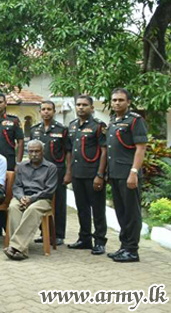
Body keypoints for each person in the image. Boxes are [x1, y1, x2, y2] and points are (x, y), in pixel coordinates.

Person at [105, 88, 148, 263]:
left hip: (128, 174)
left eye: (121, 100)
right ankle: (124, 246)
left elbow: (141, 148)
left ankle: (132, 250)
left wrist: (134, 172)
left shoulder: (135, 120)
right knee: (121, 212)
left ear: (128, 102)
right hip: (115, 174)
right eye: (114, 100)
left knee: (131, 213)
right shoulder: (113, 120)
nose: (117, 103)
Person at [64, 95, 108, 255]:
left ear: (92, 108)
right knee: (82, 208)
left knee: (98, 209)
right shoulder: (72, 126)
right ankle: (84, 239)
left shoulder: (98, 126)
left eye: (84, 105)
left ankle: (100, 241)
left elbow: (104, 152)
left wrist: (100, 175)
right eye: (78, 105)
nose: (81, 107)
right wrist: (69, 172)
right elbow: (70, 151)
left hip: (93, 174)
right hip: (77, 174)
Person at [4, 140, 58, 260]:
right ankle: (21, 250)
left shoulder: (51, 168)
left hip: (42, 199)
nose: (34, 154)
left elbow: (49, 190)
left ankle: (15, 247)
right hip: (22, 197)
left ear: (42, 152)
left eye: (37, 151)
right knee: (13, 207)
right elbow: (16, 186)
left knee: (32, 209)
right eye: (31, 151)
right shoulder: (21, 166)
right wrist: (21, 197)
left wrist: (32, 199)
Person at [30, 101, 70, 246]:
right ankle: (45, 233)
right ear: (40, 112)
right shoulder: (35, 130)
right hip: (39, 172)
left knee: (58, 202)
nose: (46, 112)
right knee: (41, 200)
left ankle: (58, 234)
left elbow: (68, 152)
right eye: (43, 109)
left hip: (57, 170)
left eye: (49, 109)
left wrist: (68, 172)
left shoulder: (62, 129)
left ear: (54, 111)